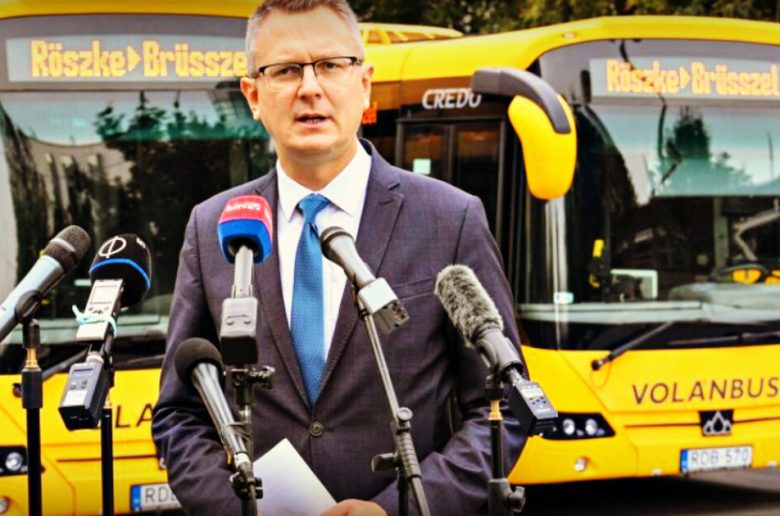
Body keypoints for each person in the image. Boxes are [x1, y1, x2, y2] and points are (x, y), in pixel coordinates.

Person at [151, 1, 525, 514]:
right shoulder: (213, 224)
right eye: (286, 70)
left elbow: (503, 408)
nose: (310, 88)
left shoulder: (450, 218)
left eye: (331, 65)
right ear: (253, 95)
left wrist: (397, 509)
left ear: (364, 84)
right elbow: (178, 415)